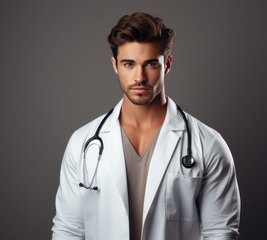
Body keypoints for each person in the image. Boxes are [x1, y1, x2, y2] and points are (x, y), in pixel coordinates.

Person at [51, 12, 240, 240]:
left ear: (167, 64)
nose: (139, 77)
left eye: (150, 64)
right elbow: (68, 231)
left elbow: (220, 232)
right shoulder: (82, 143)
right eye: (129, 64)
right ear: (115, 66)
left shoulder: (208, 144)